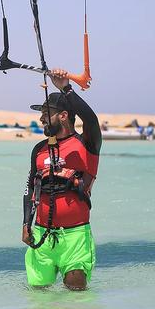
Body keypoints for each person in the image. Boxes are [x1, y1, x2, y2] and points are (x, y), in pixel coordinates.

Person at [22, 68, 102, 291]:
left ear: (64, 115)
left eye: (47, 113)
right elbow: (30, 189)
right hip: (41, 234)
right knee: (39, 299)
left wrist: (66, 88)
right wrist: (26, 224)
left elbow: (91, 119)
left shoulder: (87, 144)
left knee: (76, 297)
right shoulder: (38, 149)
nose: (41, 118)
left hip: (75, 236)